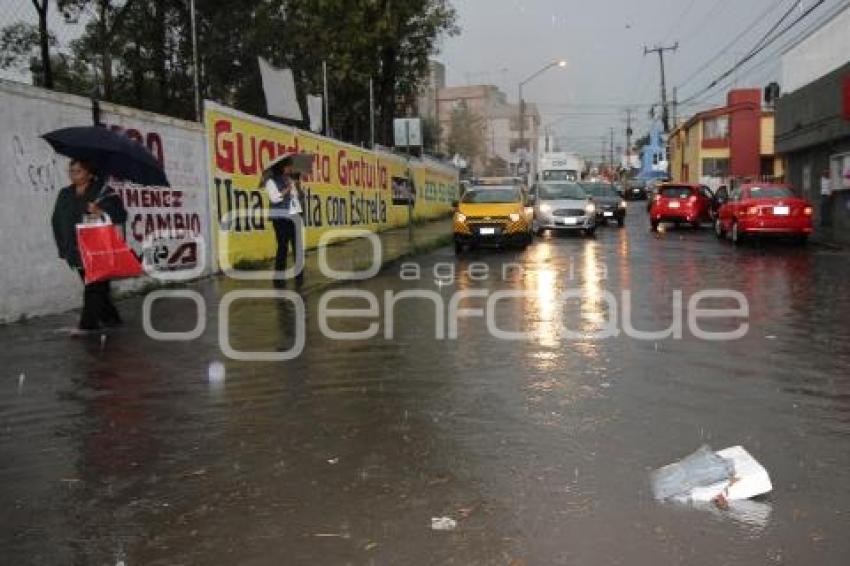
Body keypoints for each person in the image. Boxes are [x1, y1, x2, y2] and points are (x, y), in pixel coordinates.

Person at [51, 159, 128, 333]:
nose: (73, 175)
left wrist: (100, 211)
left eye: (77, 171)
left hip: (98, 249)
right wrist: (63, 246)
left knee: (93, 286)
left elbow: (121, 215)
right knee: (96, 287)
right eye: (71, 171)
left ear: (89, 173)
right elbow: (56, 220)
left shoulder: (103, 191)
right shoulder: (65, 193)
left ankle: (87, 325)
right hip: (74, 248)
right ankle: (111, 317)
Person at [265, 160, 305, 287]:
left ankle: (299, 274)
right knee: (283, 247)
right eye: (289, 166)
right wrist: (288, 188)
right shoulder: (271, 181)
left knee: (297, 246)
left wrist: (297, 186)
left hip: (294, 216)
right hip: (281, 218)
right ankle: (279, 277)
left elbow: (299, 198)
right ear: (282, 167)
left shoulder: (291, 180)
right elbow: (275, 198)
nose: (291, 168)